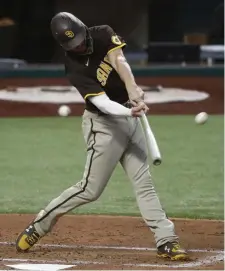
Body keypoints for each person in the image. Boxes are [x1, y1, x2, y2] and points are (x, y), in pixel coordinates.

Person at [16, 12, 189, 261]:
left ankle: (167, 240)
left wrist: (132, 88)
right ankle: (40, 225)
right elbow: (104, 104)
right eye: (74, 46)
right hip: (104, 126)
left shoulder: (102, 33)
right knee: (89, 189)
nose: (80, 47)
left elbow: (119, 60)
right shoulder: (73, 67)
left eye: (81, 41)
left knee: (144, 184)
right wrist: (130, 111)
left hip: (130, 119)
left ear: (84, 31)